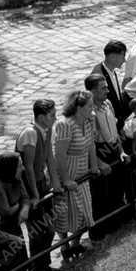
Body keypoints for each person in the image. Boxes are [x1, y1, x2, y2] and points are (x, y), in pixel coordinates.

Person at [15, 98, 62, 271]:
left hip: (41, 183)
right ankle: (37, 268)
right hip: (29, 187)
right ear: (41, 117)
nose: (55, 118)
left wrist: (55, 183)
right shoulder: (30, 134)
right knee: (38, 229)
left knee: (49, 227)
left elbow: (49, 157)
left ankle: (44, 263)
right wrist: (34, 195)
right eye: (52, 115)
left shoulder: (47, 130)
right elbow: (28, 169)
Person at [53, 91, 100, 261]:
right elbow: (60, 155)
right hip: (68, 171)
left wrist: (94, 166)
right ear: (78, 107)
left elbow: (91, 145)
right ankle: (64, 245)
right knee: (65, 213)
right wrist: (65, 179)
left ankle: (76, 243)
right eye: (89, 106)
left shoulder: (89, 120)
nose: (92, 108)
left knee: (83, 212)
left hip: (82, 171)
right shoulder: (65, 125)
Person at [85, 73, 133, 234]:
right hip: (100, 152)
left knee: (117, 188)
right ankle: (101, 230)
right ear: (91, 92)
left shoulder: (108, 104)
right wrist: (99, 162)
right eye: (103, 88)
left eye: (107, 86)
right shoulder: (88, 112)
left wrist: (121, 151)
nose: (107, 90)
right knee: (101, 194)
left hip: (113, 148)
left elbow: (115, 130)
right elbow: (88, 142)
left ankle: (118, 222)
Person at [90, 40, 129, 124]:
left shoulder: (112, 70)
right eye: (122, 56)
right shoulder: (98, 75)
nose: (124, 60)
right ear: (112, 57)